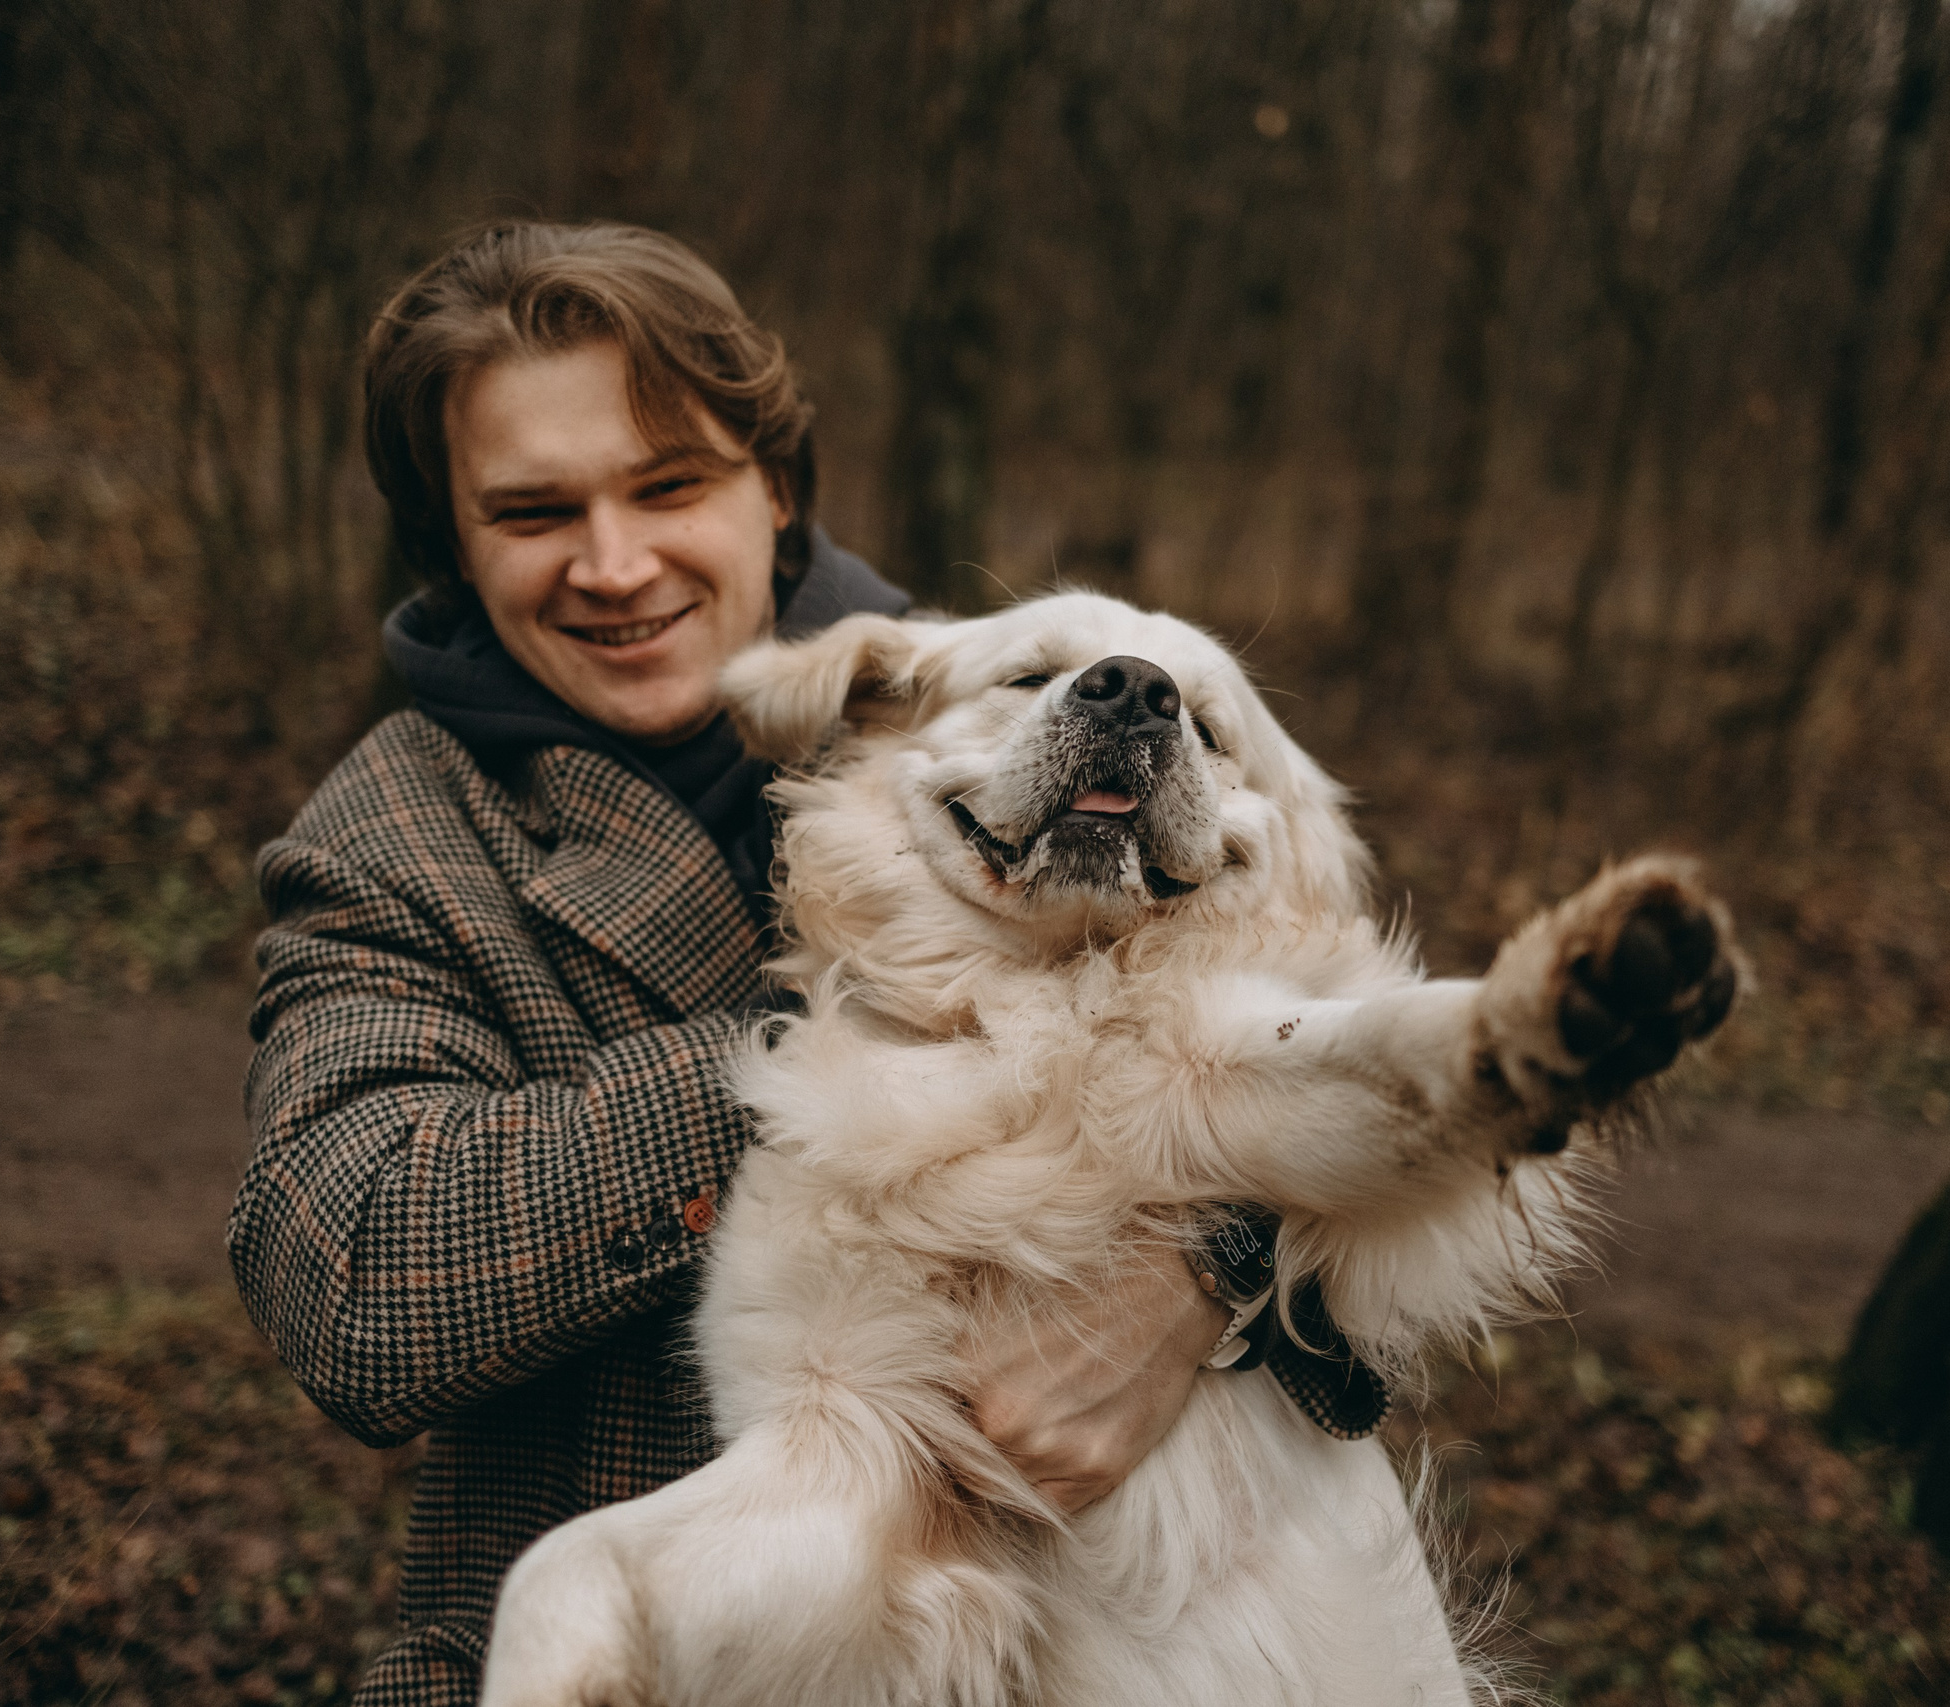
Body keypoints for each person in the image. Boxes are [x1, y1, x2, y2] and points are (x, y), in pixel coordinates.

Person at [228, 221, 1377, 1705]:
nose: (615, 563)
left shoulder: (1005, 706)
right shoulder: (394, 837)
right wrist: (845, 1041)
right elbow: (362, 1280)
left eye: (670, 485)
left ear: (776, 488)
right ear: (452, 541)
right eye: (531, 512)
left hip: (1098, 1646)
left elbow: (1329, 1046)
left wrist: (1201, 1274)